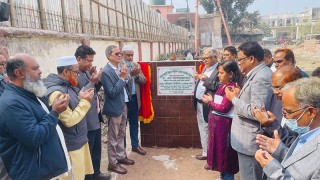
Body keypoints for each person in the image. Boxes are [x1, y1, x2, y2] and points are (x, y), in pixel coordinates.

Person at [0, 53, 70, 179]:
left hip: (43, 170)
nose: (40, 71)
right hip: (32, 174)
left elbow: (39, 118)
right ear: (19, 73)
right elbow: (34, 137)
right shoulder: (11, 104)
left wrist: (52, 108)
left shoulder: (30, 92)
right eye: (35, 68)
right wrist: (54, 112)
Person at [225, 41, 275, 180]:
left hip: (251, 141)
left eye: (240, 59)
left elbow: (258, 113)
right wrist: (240, 94)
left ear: (251, 58)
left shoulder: (261, 77)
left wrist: (234, 99)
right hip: (247, 141)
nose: (238, 63)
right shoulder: (256, 74)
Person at [255, 77, 320, 179]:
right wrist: (281, 151)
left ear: (311, 112)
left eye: (289, 112)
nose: (286, 117)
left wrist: (273, 170)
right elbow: (301, 166)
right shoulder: (308, 133)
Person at [44, 56, 95, 180]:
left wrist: (80, 97)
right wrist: (85, 102)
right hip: (71, 146)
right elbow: (69, 120)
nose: (78, 75)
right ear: (66, 72)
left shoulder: (68, 85)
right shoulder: (57, 93)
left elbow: (72, 104)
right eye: (76, 72)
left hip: (78, 140)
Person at [74, 45, 110, 180]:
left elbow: (95, 90)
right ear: (79, 59)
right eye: (88, 61)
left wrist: (96, 79)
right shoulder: (74, 75)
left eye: (92, 61)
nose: (90, 64)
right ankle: (89, 176)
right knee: (88, 152)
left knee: (96, 149)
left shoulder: (87, 72)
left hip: (94, 117)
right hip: (85, 120)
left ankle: (96, 173)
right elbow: (79, 95)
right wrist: (91, 82)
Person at [201, 60, 240, 180]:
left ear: (231, 74)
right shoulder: (223, 85)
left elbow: (224, 107)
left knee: (225, 155)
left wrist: (209, 102)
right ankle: (222, 175)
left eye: (221, 73)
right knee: (220, 153)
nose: (218, 75)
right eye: (218, 72)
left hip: (224, 127)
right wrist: (212, 99)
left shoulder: (231, 88)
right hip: (217, 127)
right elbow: (220, 101)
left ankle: (227, 176)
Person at [101, 45, 134, 174]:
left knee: (121, 133)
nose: (120, 55)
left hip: (123, 104)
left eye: (121, 53)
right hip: (114, 107)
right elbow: (111, 92)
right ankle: (113, 163)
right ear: (109, 56)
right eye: (117, 54)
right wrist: (121, 78)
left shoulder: (120, 67)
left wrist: (126, 77)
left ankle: (121, 156)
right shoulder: (106, 72)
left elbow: (126, 84)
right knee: (113, 136)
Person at [193, 47, 220, 160]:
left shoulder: (220, 69)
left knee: (209, 129)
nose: (205, 61)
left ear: (215, 57)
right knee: (202, 127)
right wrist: (198, 80)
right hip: (199, 103)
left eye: (207, 58)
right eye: (203, 58)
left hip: (210, 104)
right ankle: (206, 152)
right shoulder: (205, 68)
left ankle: (212, 156)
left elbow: (220, 86)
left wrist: (205, 80)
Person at [121, 45, 147, 155]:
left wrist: (136, 76)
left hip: (134, 98)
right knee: (122, 125)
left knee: (134, 123)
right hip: (122, 100)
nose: (130, 57)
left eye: (132, 55)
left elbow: (143, 80)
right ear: (122, 55)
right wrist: (128, 75)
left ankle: (135, 145)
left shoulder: (136, 65)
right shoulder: (119, 65)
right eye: (128, 55)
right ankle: (122, 149)